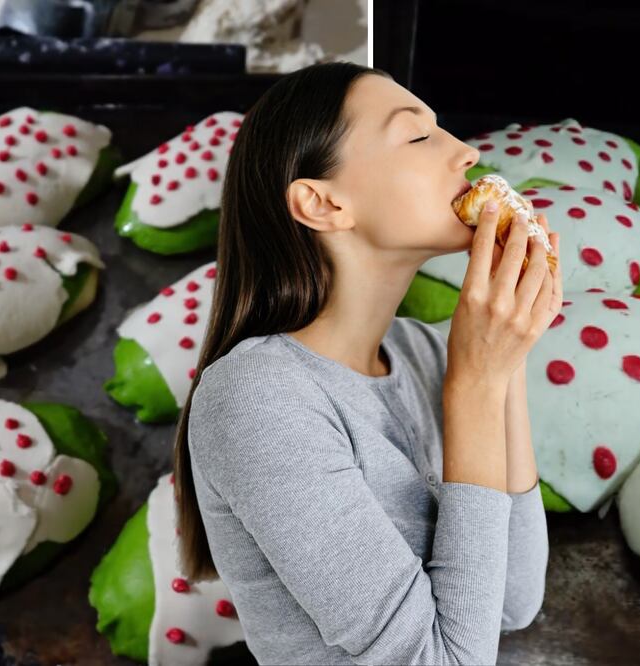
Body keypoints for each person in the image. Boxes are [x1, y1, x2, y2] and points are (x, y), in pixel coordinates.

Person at [171, 60, 562, 665]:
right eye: (417, 135)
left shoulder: (431, 351)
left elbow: (514, 603)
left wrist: (506, 361)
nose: (463, 152)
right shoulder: (255, 397)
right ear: (322, 204)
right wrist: (477, 387)